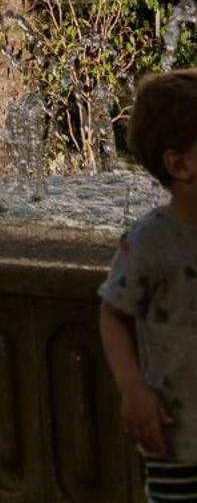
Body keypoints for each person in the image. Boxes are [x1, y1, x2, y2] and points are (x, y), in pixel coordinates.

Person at [100, 69, 197, 501]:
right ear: (180, 164)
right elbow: (113, 313)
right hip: (178, 437)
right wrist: (132, 387)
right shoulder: (150, 242)